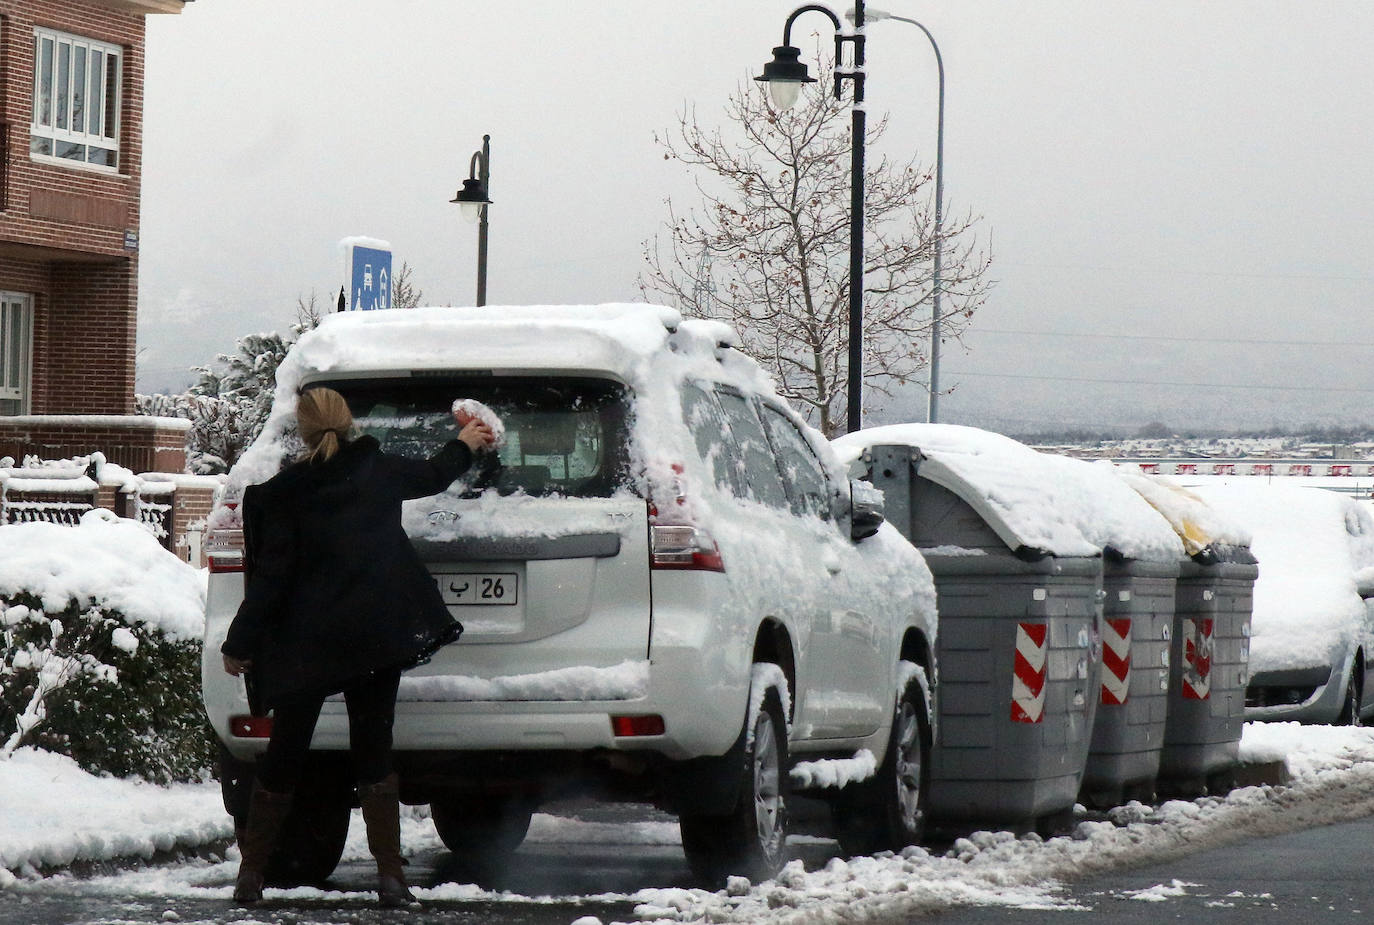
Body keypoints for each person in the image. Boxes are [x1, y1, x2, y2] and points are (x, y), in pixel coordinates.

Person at [221, 386, 494, 907]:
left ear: (301, 430)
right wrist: (465, 441)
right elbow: (434, 474)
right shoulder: (378, 472)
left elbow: (270, 580)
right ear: (349, 424)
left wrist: (240, 643)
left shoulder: (283, 494)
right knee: (374, 750)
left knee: (284, 754)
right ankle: (391, 880)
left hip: (307, 644)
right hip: (373, 638)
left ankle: (251, 876)